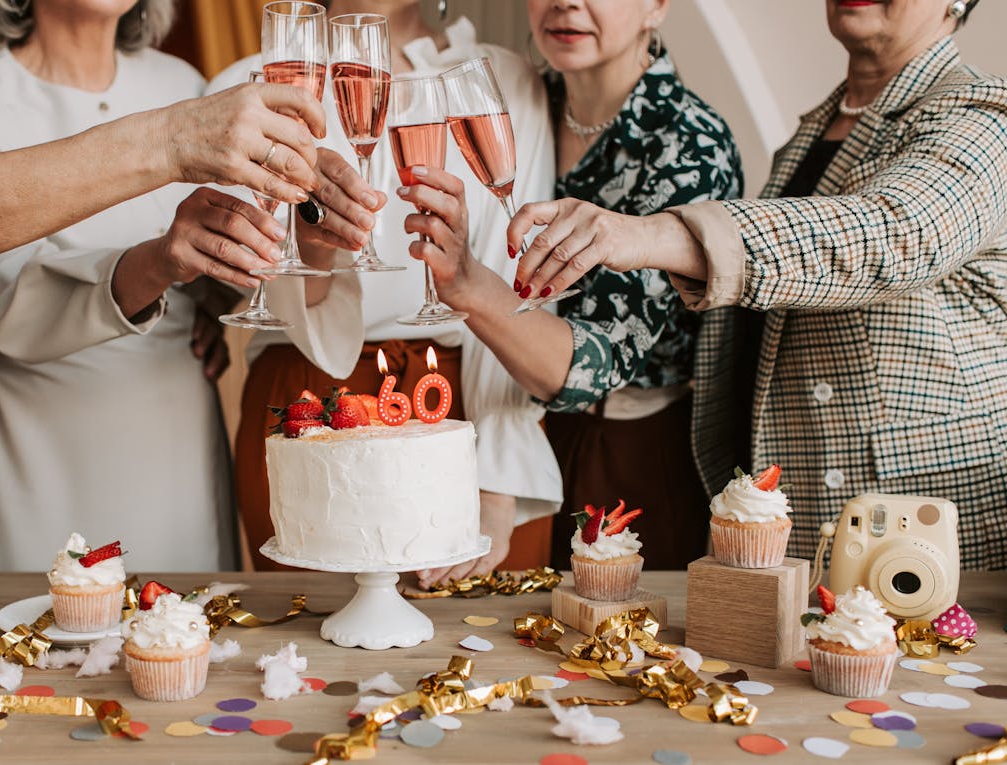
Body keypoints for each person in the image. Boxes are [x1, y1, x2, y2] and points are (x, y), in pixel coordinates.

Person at [0, 0, 327, 570]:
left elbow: (218, 240)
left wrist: (215, 292)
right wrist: (157, 262)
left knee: (181, 634)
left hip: (173, 431)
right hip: (34, 440)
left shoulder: (185, 85)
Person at [508, 0, 1007, 569]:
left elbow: (896, 234)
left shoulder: (982, 115)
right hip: (804, 507)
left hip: (918, 519)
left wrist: (652, 235)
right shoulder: (818, 129)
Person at [213, 0, 562, 585]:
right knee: (312, 661)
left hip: (477, 409)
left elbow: (523, 285)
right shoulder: (243, 89)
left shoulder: (507, 81)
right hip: (309, 406)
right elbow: (246, 274)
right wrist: (316, 249)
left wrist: (497, 478)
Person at [403, 0, 741, 570]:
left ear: (657, 6)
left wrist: (468, 286)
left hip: (631, 454)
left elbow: (594, 367)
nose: (566, 2)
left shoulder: (690, 145)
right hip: (512, 434)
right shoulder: (520, 101)